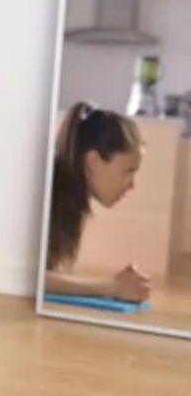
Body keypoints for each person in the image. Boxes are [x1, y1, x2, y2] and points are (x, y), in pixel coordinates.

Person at [44, 101, 150, 302]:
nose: (132, 185)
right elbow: (28, 278)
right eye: (128, 171)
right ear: (93, 161)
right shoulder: (50, 193)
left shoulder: (70, 201)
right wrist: (113, 287)